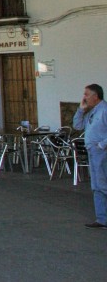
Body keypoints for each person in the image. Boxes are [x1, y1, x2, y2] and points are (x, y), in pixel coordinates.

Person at [73, 83, 107, 228]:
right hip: (92, 151)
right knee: (96, 185)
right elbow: (78, 125)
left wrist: (102, 144)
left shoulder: (104, 110)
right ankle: (101, 218)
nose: (84, 97)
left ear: (96, 96)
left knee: (103, 183)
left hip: (101, 152)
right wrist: (81, 110)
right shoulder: (91, 112)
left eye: (87, 94)